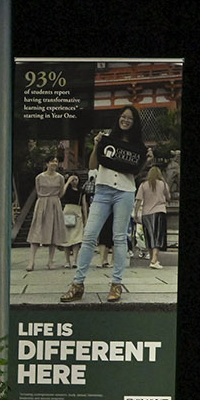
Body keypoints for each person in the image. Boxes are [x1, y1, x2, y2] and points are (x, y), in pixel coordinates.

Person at [66, 106, 149, 302]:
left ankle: (116, 284)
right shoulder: (107, 140)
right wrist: (96, 145)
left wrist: (146, 160)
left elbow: (135, 171)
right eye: (123, 117)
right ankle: (77, 284)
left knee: (119, 238)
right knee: (89, 235)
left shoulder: (138, 146)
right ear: (118, 119)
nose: (125, 120)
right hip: (102, 190)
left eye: (130, 118)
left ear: (134, 122)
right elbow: (93, 165)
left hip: (125, 191)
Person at [27, 155, 72, 270]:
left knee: (53, 231)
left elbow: (61, 193)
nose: (54, 164)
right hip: (42, 203)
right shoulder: (39, 177)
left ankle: (50, 261)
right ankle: (31, 261)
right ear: (47, 163)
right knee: (37, 231)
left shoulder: (60, 178)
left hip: (54, 203)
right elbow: (38, 191)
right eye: (52, 161)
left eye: (56, 161)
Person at [137, 162, 169, 266]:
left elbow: (138, 200)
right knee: (158, 235)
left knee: (149, 236)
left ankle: (152, 258)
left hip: (146, 213)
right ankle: (154, 259)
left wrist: (136, 212)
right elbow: (168, 197)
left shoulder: (143, 185)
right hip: (159, 211)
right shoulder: (163, 184)